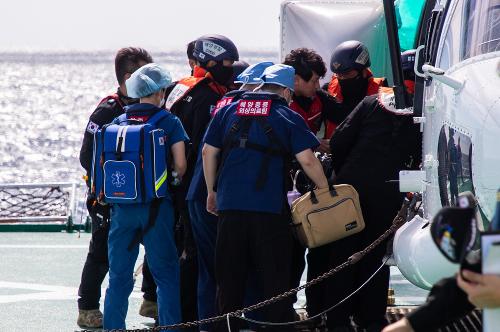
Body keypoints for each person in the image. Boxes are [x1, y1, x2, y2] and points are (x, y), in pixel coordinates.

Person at [202, 64, 329, 331]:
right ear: (285, 90)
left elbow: (208, 152)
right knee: (274, 279)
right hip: (268, 210)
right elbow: (307, 159)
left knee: (230, 278)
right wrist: (324, 189)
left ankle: (228, 327)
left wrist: (212, 192)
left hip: (230, 207)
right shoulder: (286, 115)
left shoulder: (227, 110)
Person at [306, 51, 420, 332]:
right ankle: (371, 320)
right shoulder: (424, 108)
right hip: (389, 191)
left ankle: (336, 321)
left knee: (342, 257)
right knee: (375, 258)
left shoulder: (372, 102)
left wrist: (344, 173)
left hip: (351, 190)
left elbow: (342, 138)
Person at [186, 61, 273, 331]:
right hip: (219, 198)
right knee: (236, 266)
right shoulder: (248, 110)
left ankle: (209, 326)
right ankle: (244, 324)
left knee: (209, 270)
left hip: (197, 194)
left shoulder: (222, 104)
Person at [103, 63, 188, 329]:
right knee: (166, 275)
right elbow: (181, 165)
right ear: (160, 92)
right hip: (155, 208)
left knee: (119, 276)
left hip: (122, 207)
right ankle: (170, 326)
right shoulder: (169, 121)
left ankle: (114, 327)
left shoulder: (118, 121)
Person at [77, 47, 158, 328]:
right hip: (109, 199)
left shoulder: (151, 108)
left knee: (159, 243)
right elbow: (87, 156)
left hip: (144, 198)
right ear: (128, 76)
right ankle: (87, 306)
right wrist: (109, 190)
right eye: (145, 73)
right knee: (101, 253)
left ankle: (151, 299)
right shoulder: (107, 111)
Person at [164, 34, 239, 326]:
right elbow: (206, 148)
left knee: (182, 256)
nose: (230, 68)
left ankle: (177, 316)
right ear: (209, 63)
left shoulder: (178, 89)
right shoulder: (209, 97)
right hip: (197, 187)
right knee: (200, 260)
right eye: (226, 63)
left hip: (175, 185)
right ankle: (201, 320)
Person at [320, 40, 387, 152]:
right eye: (339, 75)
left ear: (364, 71)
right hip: (334, 160)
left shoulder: (382, 92)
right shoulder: (327, 91)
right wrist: (316, 142)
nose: (342, 79)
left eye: (347, 74)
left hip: (367, 158)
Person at [283, 48, 347, 136]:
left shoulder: (319, 98)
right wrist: (315, 143)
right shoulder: (278, 105)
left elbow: (346, 117)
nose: (318, 86)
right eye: (315, 81)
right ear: (295, 80)